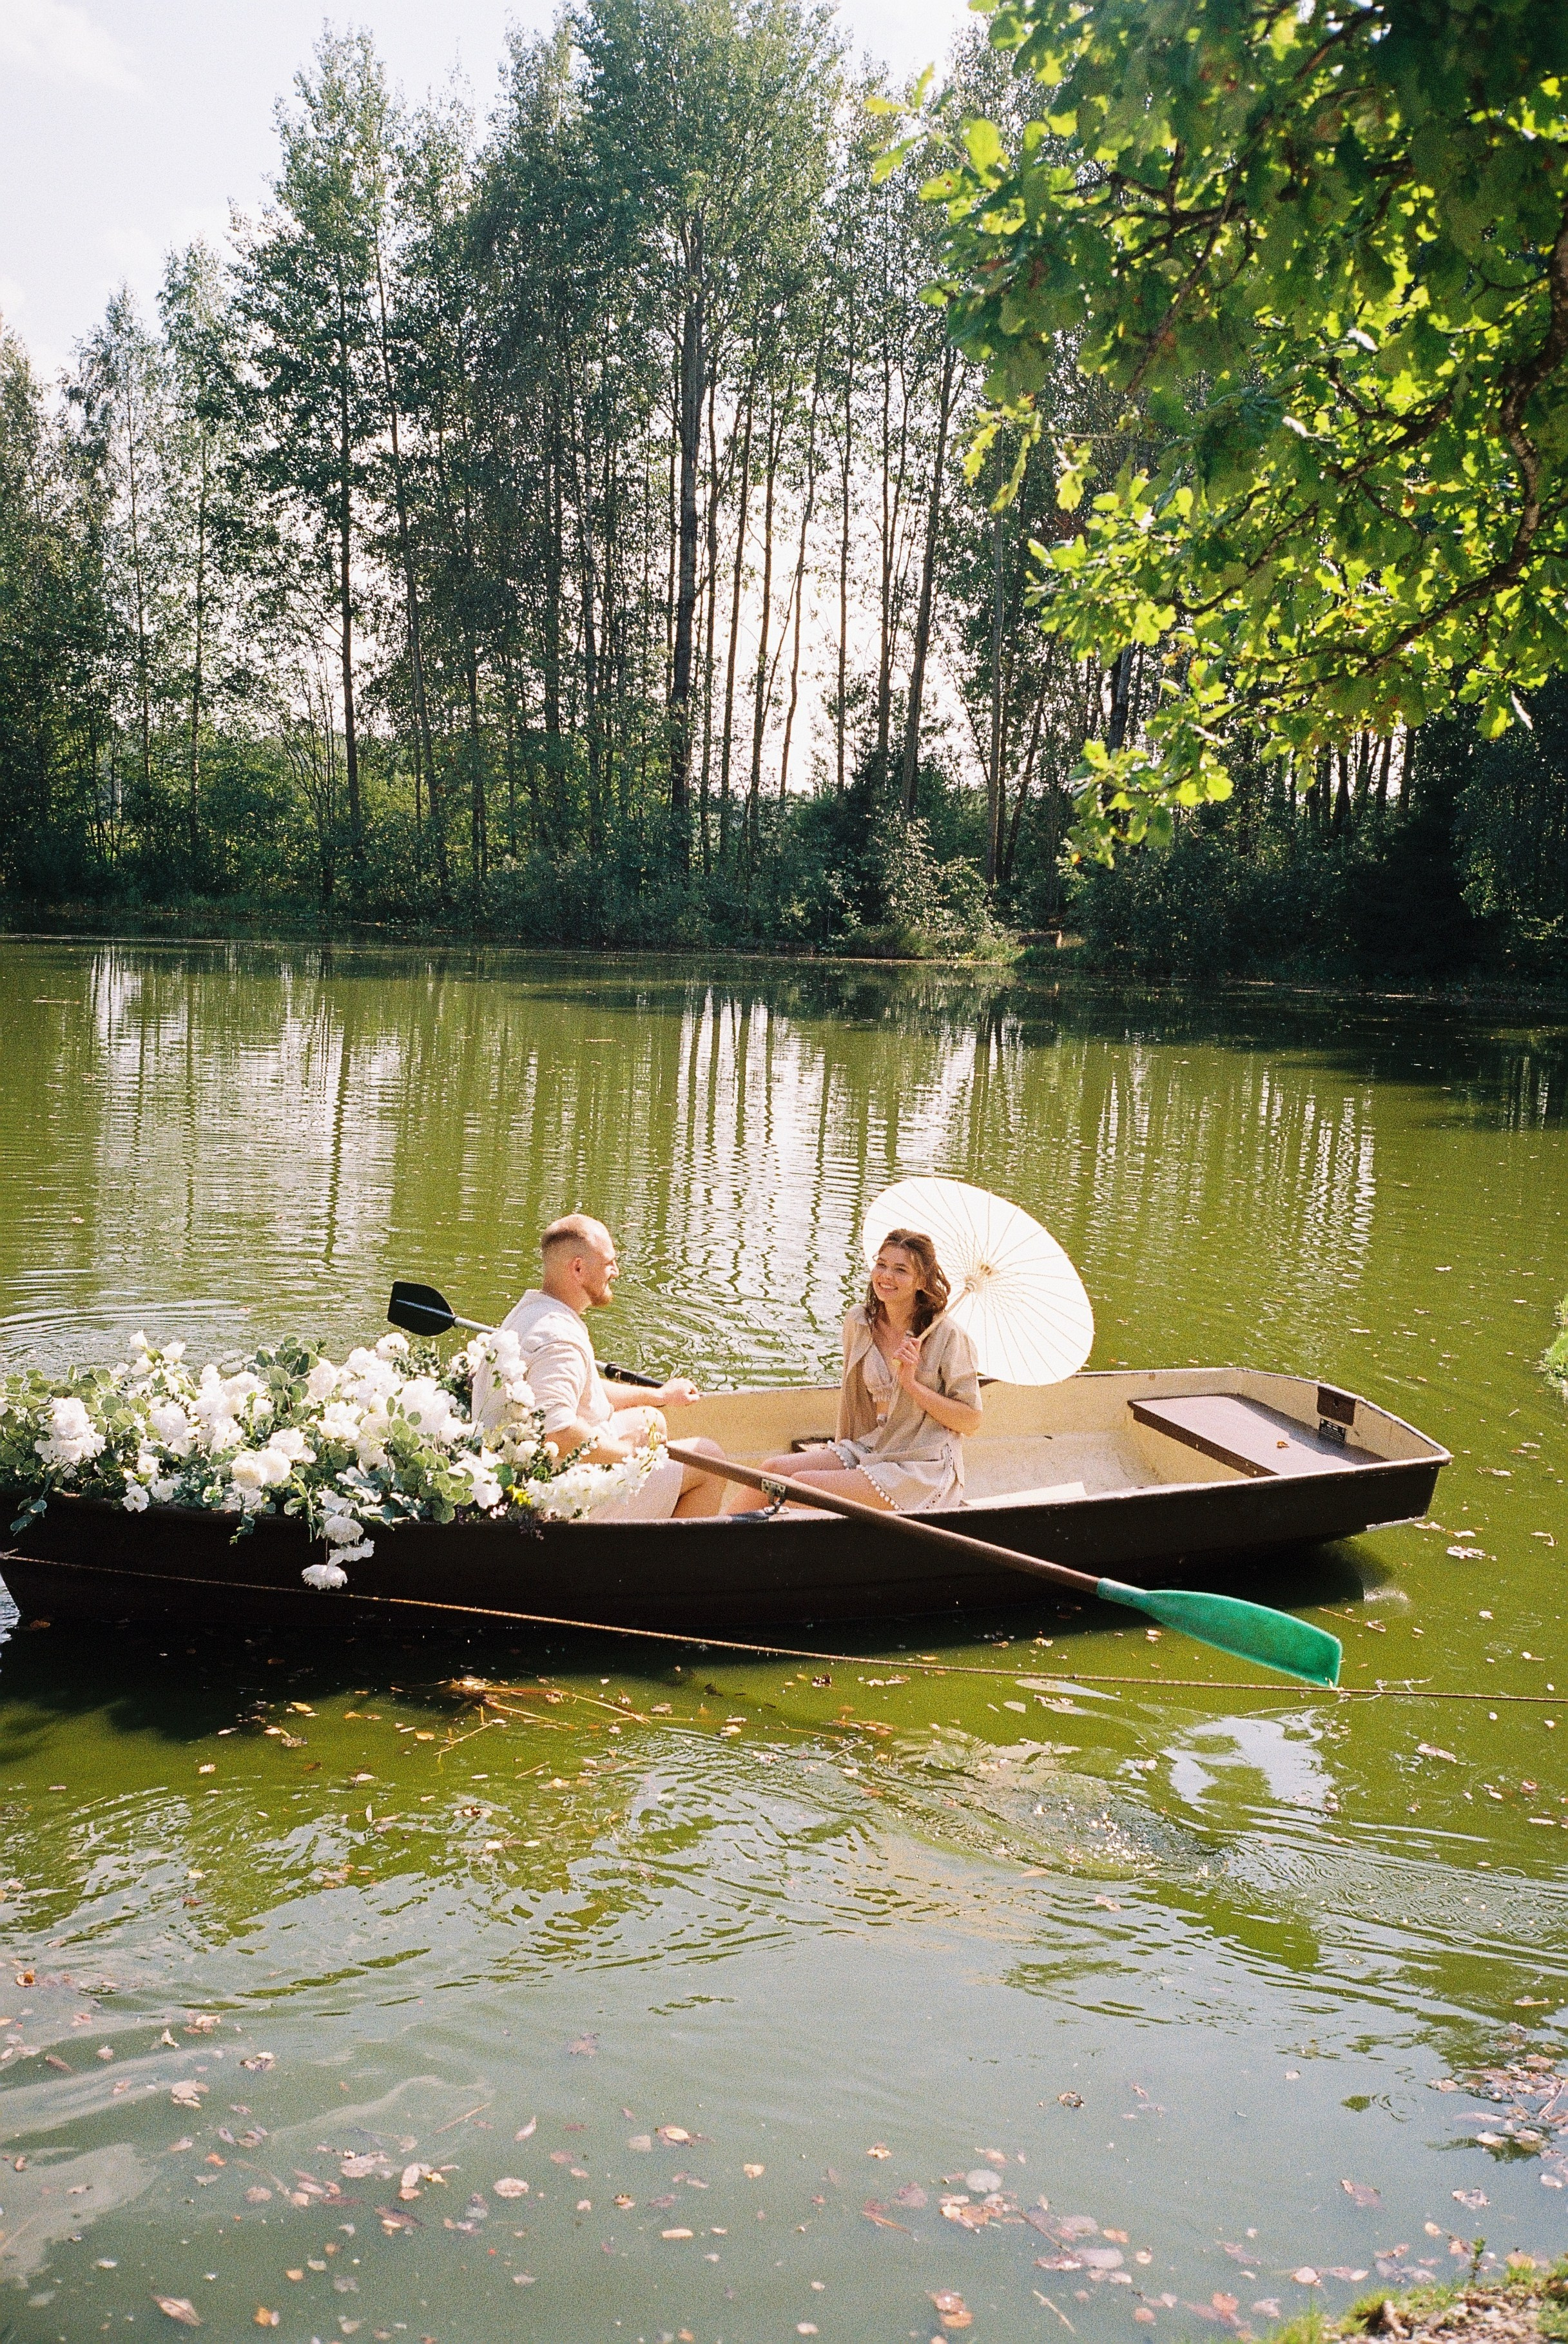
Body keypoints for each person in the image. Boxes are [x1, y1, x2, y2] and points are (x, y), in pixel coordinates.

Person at [474, 1214, 726, 1520]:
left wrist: (658, 1395)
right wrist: (629, 1453)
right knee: (709, 1460)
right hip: (551, 1493)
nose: (616, 1272)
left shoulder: (534, 1312)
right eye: (609, 1263)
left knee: (651, 1420)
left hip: (522, 1464)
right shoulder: (560, 1340)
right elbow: (558, 1432)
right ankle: (672, 1565)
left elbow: (584, 1388)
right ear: (578, 1268)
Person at [733, 1226, 982, 1514]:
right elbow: (854, 1404)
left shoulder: (947, 1335)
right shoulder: (859, 1322)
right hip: (873, 1446)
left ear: (922, 1282)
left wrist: (912, 1384)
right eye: (882, 1264)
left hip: (922, 1464)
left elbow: (971, 1421)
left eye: (901, 1270)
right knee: (770, 1471)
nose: (886, 1276)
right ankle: (708, 1541)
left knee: (800, 1486)